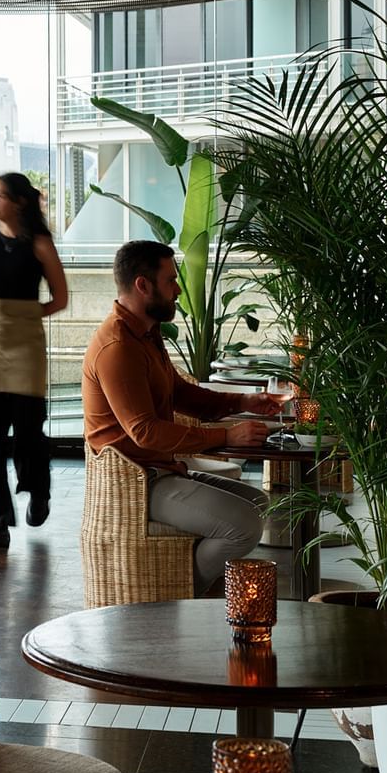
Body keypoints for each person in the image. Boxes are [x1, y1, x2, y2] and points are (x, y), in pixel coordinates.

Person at [82, 240, 284, 591]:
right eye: (171, 280)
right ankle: (180, 594)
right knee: (245, 526)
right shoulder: (118, 347)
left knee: (258, 503)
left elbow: (181, 394)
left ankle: (200, 590)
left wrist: (245, 402)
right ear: (143, 286)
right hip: (136, 482)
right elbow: (145, 432)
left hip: (160, 469)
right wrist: (226, 437)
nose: (177, 290)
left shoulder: (145, 333)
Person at [0, 173, 69, 549]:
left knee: (27, 432)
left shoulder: (40, 246)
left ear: (20, 202)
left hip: (24, 343)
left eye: (0, 197)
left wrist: (24, 317)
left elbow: (60, 298)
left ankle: (38, 490)